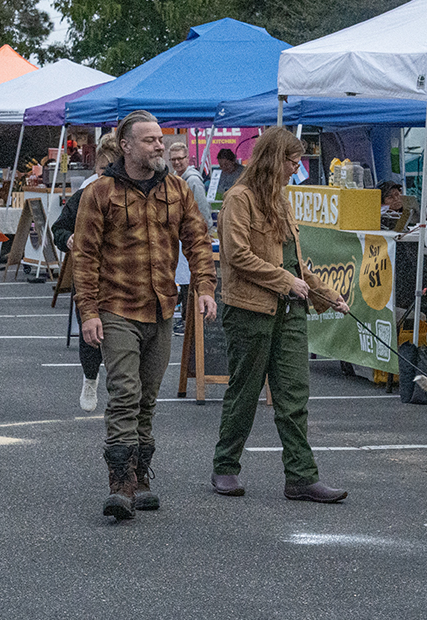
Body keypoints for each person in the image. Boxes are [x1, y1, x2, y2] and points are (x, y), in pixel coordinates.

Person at [70, 110, 216, 520]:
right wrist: (88, 312)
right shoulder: (100, 192)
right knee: (125, 393)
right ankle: (120, 484)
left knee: (148, 397)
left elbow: (198, 240)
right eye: (150, 140)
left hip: (162, 306)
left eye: (160, 139)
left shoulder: (177, 189)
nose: (159, 146)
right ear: (126, 146)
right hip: (116, 306)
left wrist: (205, 287)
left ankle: (140, 477)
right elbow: (84, 257)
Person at [210, 127, 350, 503]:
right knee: (244, 392)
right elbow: (237, 255)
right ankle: (225, 466)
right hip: (249, 312)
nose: (295, 169)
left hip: (290, 313)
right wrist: (286, 281)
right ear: (274, 160)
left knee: (293, 397)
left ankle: (301, 477)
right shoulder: (239, 198)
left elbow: (295, 265)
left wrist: (327, 295)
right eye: (292, 162)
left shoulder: (282, 201)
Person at [52, 134, 120, 412]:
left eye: (112, 170)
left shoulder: (131, 196)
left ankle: (121, 391)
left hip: (120, 278)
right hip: (88, 275)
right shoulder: (85, 194)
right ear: (95, 169)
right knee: (90, 334)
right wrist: (68, 239)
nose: (106, 176)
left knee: (121, 338)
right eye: (102, 170)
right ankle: (90, 378)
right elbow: (58, 228)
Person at [169, 141, 210, 335]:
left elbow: (203, 210)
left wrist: (202, 235)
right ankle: (187, 320)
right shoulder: (177, 178)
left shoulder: (192, 180)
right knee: (184, 280)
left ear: (188, 159)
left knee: (188, 281)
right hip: (182, 236)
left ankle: (188, 322)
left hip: (192, 236)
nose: (177, 162)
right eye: (173, 159)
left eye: (180, 158)